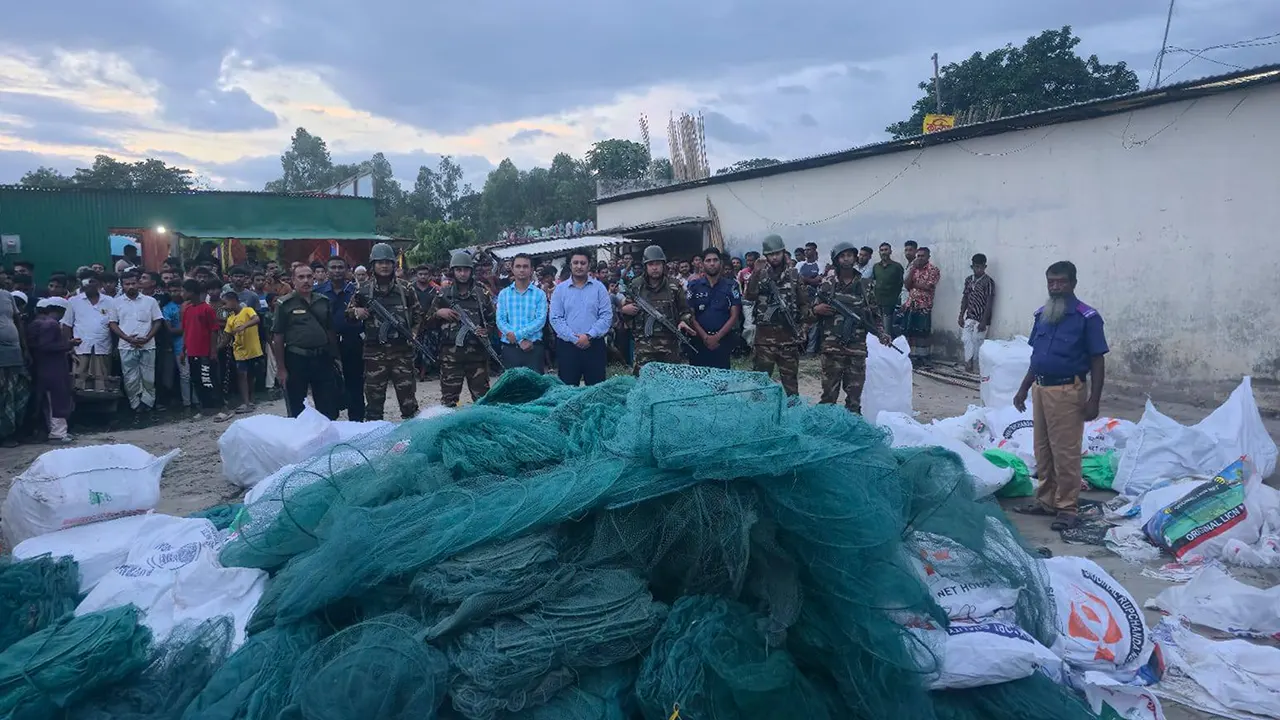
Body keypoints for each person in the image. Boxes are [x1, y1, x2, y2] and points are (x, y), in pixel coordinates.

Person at [1013, 261, 1108, 531]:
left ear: (1073, 283)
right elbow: (1037, 357)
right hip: (1041, 389)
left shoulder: (1086, 318)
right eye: (1051, 282)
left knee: (1065, 452)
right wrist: (1023, 388)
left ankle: (1067, 507)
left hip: (1068, 391)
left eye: (1061, 282)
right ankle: (1046, 501)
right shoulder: (1043, 315)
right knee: (1042, 450)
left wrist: (1094, 400)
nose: (1055, 287)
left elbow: (1097, 360)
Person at [348, 243, 422, 420]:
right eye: (380, 262)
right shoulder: (363, 289)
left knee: (408, 402)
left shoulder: (406, 289)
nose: (384, 266)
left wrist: (413, 332)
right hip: (374, 354)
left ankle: (412, 438)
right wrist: (356, 312)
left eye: (388, 262)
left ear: (393, 264)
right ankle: (376, 440)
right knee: (374, 403)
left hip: (402, 353)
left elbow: (418, 314)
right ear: (373, 265)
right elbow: (348, 314)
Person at [815, 243, 892, 413]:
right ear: (836, 259)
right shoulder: (828, 282)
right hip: (831, 349)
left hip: (856, 349)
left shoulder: (865, 284)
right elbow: (811, 311)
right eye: (842, 256)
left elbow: (874, 313)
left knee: (854, 398)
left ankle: (853, 431)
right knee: (828, 396)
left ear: (855, 257)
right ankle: (824, 430)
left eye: (850, 255)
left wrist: (881, 332)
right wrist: (817, 309)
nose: (846, 259)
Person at [745, 234, 811, 396]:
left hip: (788, 340)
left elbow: (804, 304)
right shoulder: (760, 274)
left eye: (777, 253)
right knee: (760, 386)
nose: (774, 257)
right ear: (765, 255)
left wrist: (804, 327)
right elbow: (749, 296)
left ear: (783, 253)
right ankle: (760, 416)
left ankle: (791, 416)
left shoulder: (794, 274)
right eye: (770, 254)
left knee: (791, 387)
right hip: (764, 341)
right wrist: (755, 272)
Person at [271, 264, 340, 420]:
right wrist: (281, 368)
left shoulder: (323, 301)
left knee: (327, 405)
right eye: (301, 277)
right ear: (293, 280)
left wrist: (335, 357)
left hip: (321, 358)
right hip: (296, 358)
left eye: (309, 276)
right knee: (297, 407)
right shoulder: (285, 304)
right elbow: (278, 336)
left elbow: (330, 331)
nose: (306, 281)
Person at [428, 251, 495, 407]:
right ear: (453, 271)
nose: (462, 274)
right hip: (451, 358)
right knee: (449, 402)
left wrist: (486, 331)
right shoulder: (443, 294)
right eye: (459, 270)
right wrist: (439, 313)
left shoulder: (481, 294)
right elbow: (426, 321)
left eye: (466, 270)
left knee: (482, 401)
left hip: (477, 356)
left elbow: (492, 320)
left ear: (471, 271)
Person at [619, 245, 695, 375]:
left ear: (663, 265)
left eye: (658, 264)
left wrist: (684, 322)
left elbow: (685, 311)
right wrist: (625, 310)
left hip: (670, 346)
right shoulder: (636, 285)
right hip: (643, 346)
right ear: (646, 266)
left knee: (669, 384)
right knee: (643, 383)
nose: (654, 268)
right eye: (651, 264)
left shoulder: (674, 286)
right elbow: (626, 311)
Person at [549, 251, 613, 387]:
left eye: (583, 263)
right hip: (568, 347)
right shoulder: (560, 290)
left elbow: (606, 316)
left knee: (596, 391)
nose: (579, 266)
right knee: (568, 392)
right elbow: (555, 318)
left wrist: (589, 335)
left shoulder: (599, 288)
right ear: (570, 265)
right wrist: (574, 338)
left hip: (594, 345)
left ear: (589, 265)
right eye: (575, 263)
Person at [108, 271, 164, 423]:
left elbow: (158, 321)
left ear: (138, 283)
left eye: (133, 283)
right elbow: (112, 323)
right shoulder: (116, 303)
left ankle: (148, 406)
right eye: (127, 284)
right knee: (130, 379)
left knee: (148, 378)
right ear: (123, 285)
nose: (131, 286)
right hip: (126, 346)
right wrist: (126, 338)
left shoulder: (150, 301)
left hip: (148, 345)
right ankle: (136, 408)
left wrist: (148, 337)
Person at [319, 256, 365, 421]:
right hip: (327, 345)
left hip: (352, 342)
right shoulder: (319, 293)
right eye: (333, 267)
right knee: (327, 385)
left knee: (355, 384)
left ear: (347, 270)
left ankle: (357, 423)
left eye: (340, 267)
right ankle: (329, 423)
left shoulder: (357, 291)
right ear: (327, 271)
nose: (337, 271)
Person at [686, 248, 742, 370]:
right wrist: (705, 337)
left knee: (721, 383)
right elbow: (691, 315)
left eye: (715, 260)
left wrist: (716, 337)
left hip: (722, 341)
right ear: (702, 264)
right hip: (699, 341)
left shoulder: (731, 286)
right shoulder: (694, 286)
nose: (712, 263)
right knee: (698, 382)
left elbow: (734, 315)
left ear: (720, 263)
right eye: (708, 260)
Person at [62, 270, 116, 393]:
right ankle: (81, 408)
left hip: (103, 346)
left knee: (102, 382)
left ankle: (102, 407)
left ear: (98, 283)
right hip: (81, 347)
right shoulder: (73, 301)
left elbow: (114, 324)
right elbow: (66, 325)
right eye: (85, 282)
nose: (88, 284)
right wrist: (69, 344)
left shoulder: (110, 301)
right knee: (79, 382)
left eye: (91, 281)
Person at [28, 297, 73, 443]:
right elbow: (46, 347)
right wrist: (68, 345)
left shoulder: (37, 324)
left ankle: (54, 431)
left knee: (48, 401)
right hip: (53, 368)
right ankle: (58, 433)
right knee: (58, 400)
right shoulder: (51, 325)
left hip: (43, 367)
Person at [495, 253, 548, 373]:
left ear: (531, 270)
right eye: (518, 266)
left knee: (535, 389)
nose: (522, 270)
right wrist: (520, 340)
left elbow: (540, 320)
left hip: (533, 348)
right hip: (510, 348)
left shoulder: (539, 294)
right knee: (512, 389)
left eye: (525, 266)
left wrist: (518, 335)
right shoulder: (504, 294)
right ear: (512, 269)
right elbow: (500, 320)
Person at [217, 290, 264, 419]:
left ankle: (251, 400)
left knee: (251, 376)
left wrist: (244, 326)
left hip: (253, 350)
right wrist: (216, 349)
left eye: (225, 303)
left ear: (233, 301)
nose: (224, 307)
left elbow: (256, 319)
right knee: (242, 375)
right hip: (239, 351)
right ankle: (246, 402)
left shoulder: (247, 310)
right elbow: (226, 337)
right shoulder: (230, 319)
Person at [180, 278, 223, 419]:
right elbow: (186, 331)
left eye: (184, 291)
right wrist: (183, 350)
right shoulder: (187, 310)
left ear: (191, 292)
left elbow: (214, 330)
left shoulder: (207, 309)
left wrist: (213, 350)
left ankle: (219, 407)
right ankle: (205, 408)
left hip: (205, 352)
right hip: (192, 352)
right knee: (197, 380)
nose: (182, 294)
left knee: (208, 380)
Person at [0, 285, 29, 447]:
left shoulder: (6, 295)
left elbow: (18, 321)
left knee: (17, 391)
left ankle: (11, 432)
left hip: (14, 351)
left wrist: (25, 349)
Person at [958, 253, 996, 374]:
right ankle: (968, 362)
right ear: (972, 266)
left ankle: (976, 367)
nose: (978, 269)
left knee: (978, 341)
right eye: (976, 267)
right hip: (970, 316)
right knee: (966, 339)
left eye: (981, 267)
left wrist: (984, 321)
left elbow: (989, 302)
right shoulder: (969, 280)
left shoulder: (989, 282)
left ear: (985, 267)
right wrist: (961, 315)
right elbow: (965, 298)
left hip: (982, 318)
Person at [902, 246, 939, 366]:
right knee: (910, 332)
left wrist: (914, 283)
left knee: (923, 333)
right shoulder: (914, 269)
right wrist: (912, 270)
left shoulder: (933, 269)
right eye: (918, 256)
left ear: (928, 257)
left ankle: (923, 358)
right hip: (911, 304)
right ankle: (912, 357)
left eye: (922, 256)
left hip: (924, 305)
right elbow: (907, 285)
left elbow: (928, 286)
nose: (920, 258)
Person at [162, 280, 191, 411]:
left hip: (195, 343)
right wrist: (187, 328)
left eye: (177, 290)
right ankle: (187, 403)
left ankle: (198, 400)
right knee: (185, 375)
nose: (174, 293)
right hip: (179, 346)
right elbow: (169, 330)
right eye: (171, 291)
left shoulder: (191, 304)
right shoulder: (167, 308)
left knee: (195, 374)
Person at [872, 242, 905, 335]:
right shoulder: (876, 267)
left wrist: (896, 298)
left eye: (886, 250)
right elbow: (873, 281)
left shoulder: (897, 267)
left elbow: (901, 284)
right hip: (877, 303)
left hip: (890, 304)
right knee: (878, 330)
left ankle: (888, 348)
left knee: (887, 331)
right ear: (879, 252)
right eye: (881, 250)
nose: (884, 252)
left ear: (890, 251)